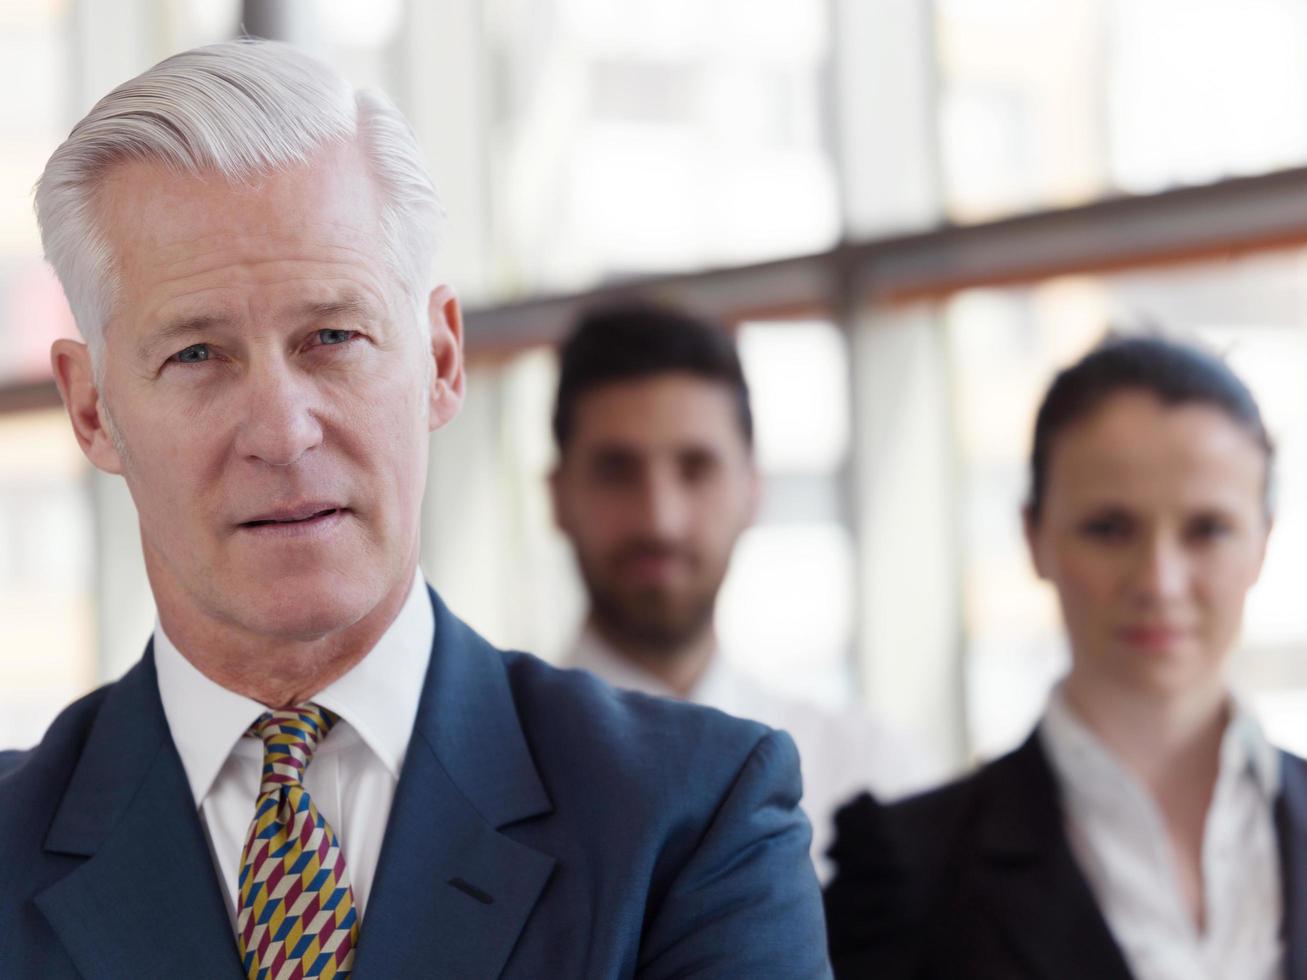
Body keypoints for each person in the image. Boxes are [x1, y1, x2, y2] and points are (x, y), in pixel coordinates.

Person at [0, 40, 832, 979]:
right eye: (196, 354)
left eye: (333, 337)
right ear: (90, 409)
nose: (282, 432)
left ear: (439, 361)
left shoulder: (688, 818)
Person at [824, 333, 1307, 979]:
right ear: (1033, 537)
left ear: (1263, 542)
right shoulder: (904, 870)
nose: (1158, 581)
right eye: (1109, 528)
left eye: (1207, 530)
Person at [551, 302, 939, 881]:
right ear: (558, 497)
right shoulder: (471, 780)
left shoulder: (870, 774)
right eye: (616, 470)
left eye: (696, 467)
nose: (661, 519)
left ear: (754, 491)